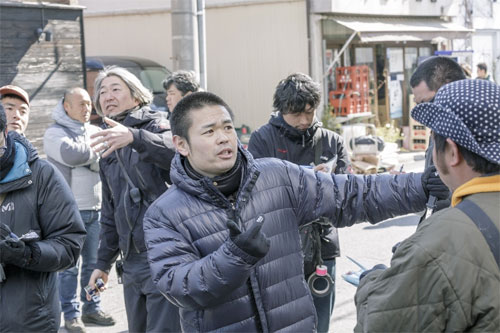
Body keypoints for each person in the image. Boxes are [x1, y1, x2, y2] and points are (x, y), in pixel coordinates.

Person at [142, 91, 449, 332]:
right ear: (181, 144)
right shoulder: (164, 213)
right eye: (209, 132)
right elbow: (178, 286)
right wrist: (235, 256)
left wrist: (421, 186)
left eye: (227, 127)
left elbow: (351, 195)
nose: (224, 137)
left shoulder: (277, 176)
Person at [354, 79, 500, 332]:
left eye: (434, 139)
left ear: (452, 152)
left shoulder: (441, 240)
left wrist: (371, 283)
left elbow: (380, 323)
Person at [248, 72, 349, 333]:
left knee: (320, 319)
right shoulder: (262, 139)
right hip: (278, 246)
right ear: (281, 110)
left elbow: (347, 195)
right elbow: (255, 193)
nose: (304, 120)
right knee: (282, 322)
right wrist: (304, 179)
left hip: (322, 243)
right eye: (296, 114)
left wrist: (330, 184)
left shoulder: (332, 141)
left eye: (310, 112)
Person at [86, 66, 180, 332]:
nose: (107, 96)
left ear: (136, 96)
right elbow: (110, 210)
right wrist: (102, 265)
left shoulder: (157, 124)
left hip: (165, 253)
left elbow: (179, 156)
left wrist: (135, 137)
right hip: (132, 263)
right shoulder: (108, 144)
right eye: (102, 92)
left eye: (116, 89)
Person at [0, 104, 86, 332]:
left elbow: (69, 244)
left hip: (27, 321)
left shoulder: (41, 175)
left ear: (4, 133)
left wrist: (25, 254)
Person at [43, 88, 115, 332]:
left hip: (97, 211)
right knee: (68, 269)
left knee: (96, 265)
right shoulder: (54, 133)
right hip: (68, 213)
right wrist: (95, 156)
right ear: (66, 106)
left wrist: (92, 158)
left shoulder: (95, 130)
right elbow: (71, 155)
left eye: (89, 104)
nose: (88, 109)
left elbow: (108, 158)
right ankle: (71, 315)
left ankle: (92, 308)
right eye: (81, 104)